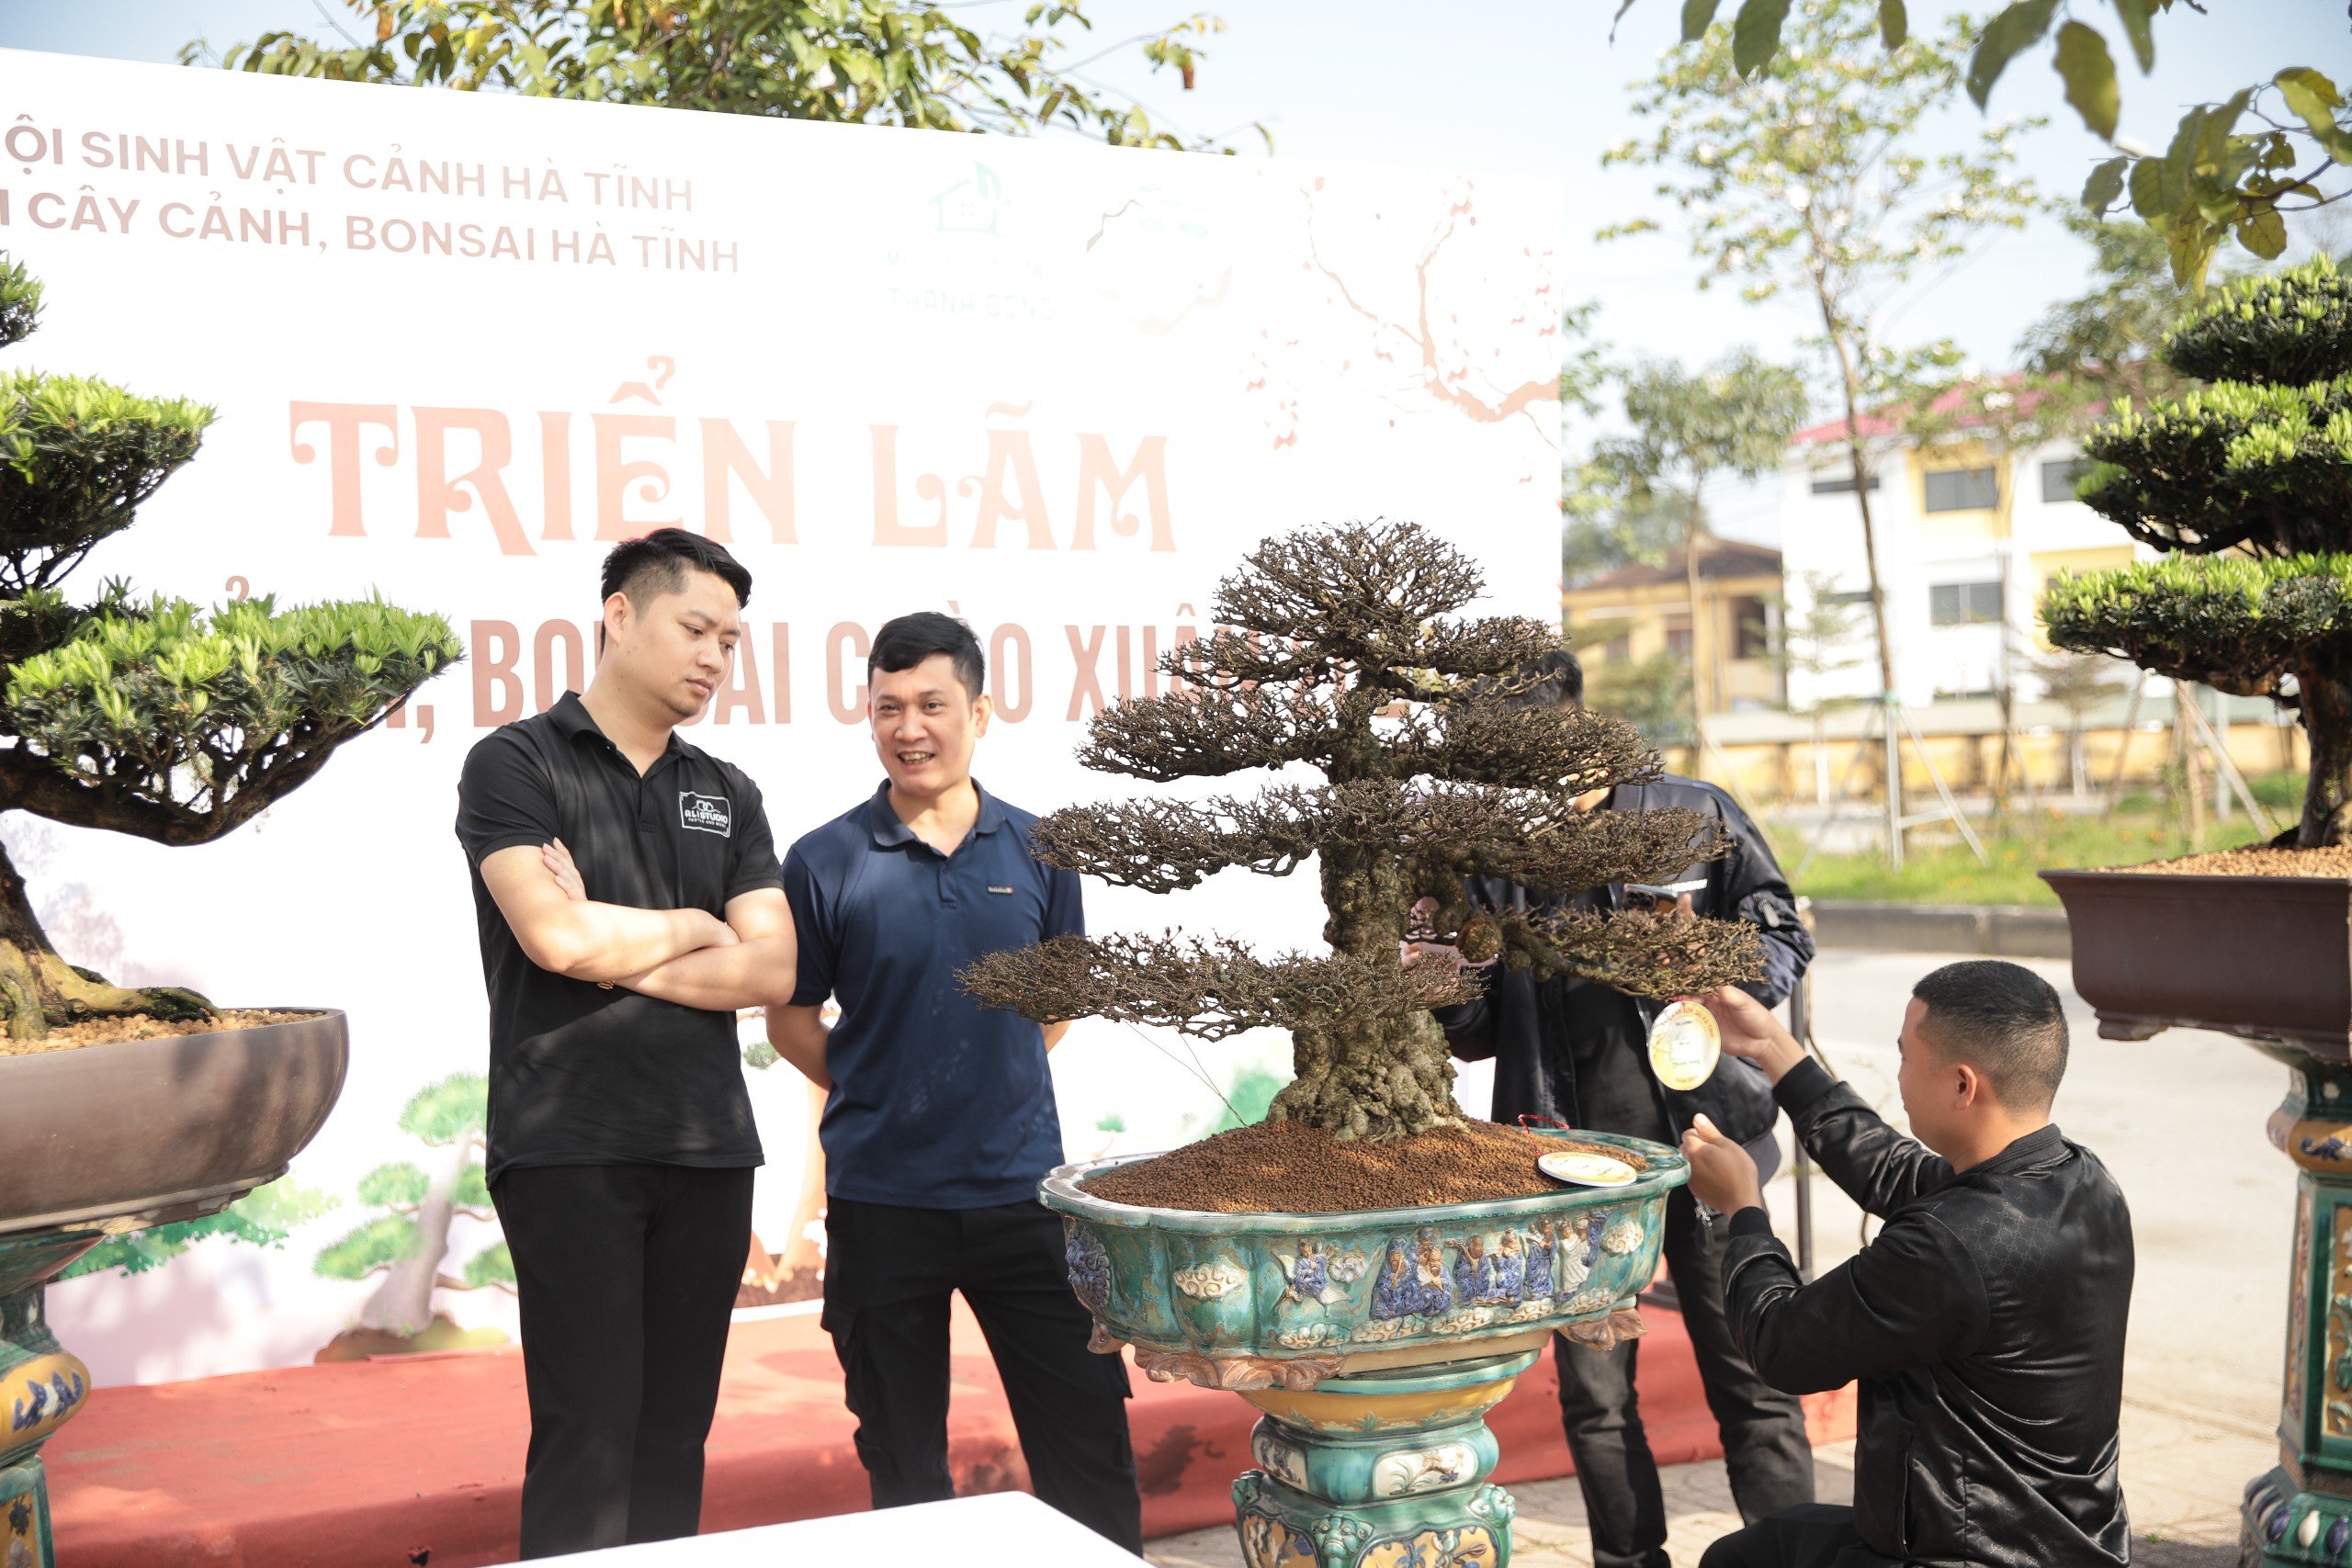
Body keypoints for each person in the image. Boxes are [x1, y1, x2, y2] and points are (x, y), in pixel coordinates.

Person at [1426, 649, 1817, 1568]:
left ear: (1575, 717)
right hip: (1571, 1166)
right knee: (1596, 1400)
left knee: (1754, 1375)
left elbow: (1784, 934)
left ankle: (1792, 1557)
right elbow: (1479, 1030)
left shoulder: (1693, 812)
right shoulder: (1491, 855)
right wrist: (1441, 985)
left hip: (1714, 1141)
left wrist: (1710, 956)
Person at [454, 528, 798, 1558]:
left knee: (672, 1437)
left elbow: (771, 971)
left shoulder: (727, 791)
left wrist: (615, 943)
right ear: (618, 616)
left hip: (705, 1147)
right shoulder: (515, 762)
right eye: (696, 628)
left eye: (731, 642)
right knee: (588, 1431)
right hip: (569, 1144)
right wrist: (698, 927)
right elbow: (551, 936)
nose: (714, 658)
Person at [769, 611, 1142, 1551]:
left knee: (1087, 1444)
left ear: (979, 711)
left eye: (931, 704)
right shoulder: (824, 860)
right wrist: (878, 1083)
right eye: (887, 707)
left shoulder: (1043, 849)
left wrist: (991, 1077)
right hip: (881, 1203)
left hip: (1025, 1198)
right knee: (902, 1466)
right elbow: (790, 1017)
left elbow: (1058, 1003)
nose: (909, 727)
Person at [1680, 963, 2133, 1568]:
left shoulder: (1947, 1244)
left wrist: (1743, 1208)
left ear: (1962, 1085)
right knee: (1763, 1545)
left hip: (1966, 1553)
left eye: (1904, 1056)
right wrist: (1771, 1046)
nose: (1897, 1074)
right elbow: (1892, 1169)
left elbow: (1779, 1342)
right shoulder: (2084, 1181)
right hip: (2066, 1540)